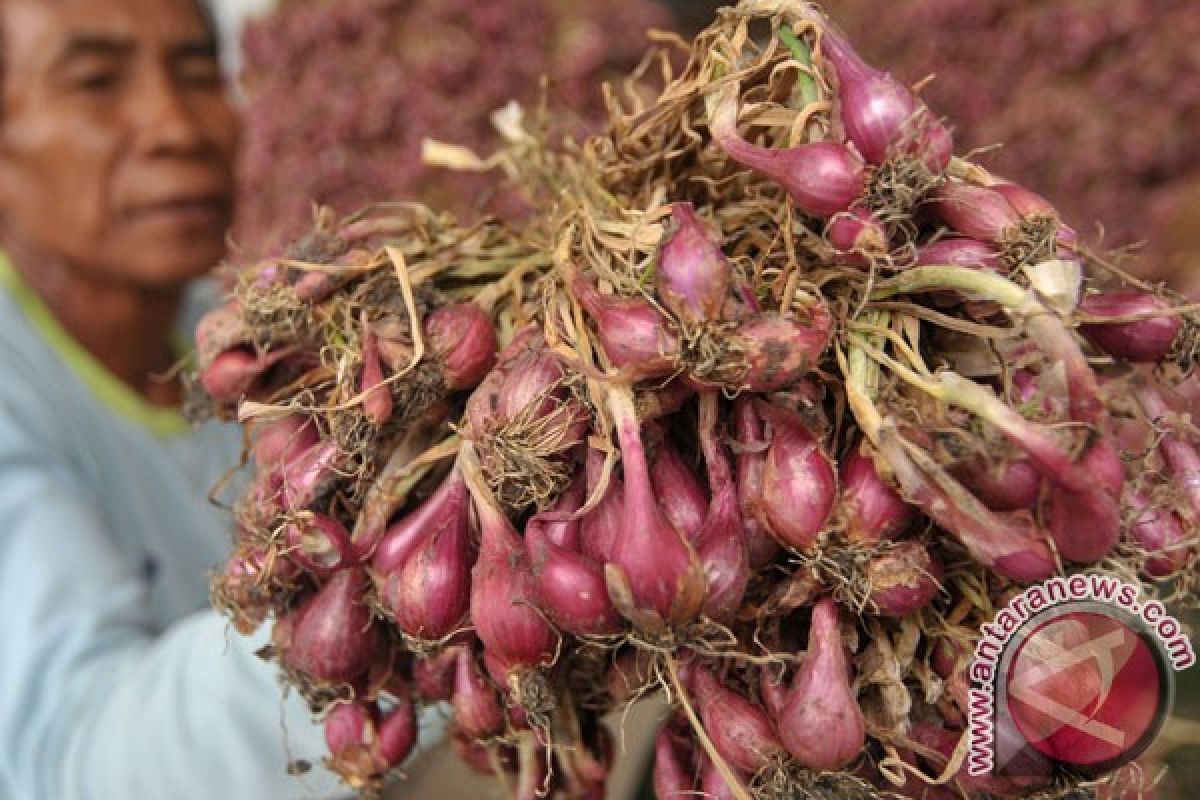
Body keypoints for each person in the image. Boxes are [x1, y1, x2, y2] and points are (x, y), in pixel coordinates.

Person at [0, 0, 438, 797]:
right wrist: (424, 598)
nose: (177, 124)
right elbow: (72, 760)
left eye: (199, 73)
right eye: (96, 80)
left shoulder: (252, 340)